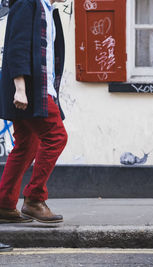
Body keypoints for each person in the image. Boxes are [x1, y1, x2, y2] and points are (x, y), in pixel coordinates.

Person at [0, 0, 67, 223]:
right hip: (31, 92)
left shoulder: (49, 11)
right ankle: (34, 199)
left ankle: (4, 204)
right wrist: (20, 88)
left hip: (40, 91)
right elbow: (16, 47)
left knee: (27, 145)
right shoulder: (27, 3)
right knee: (57, 137)